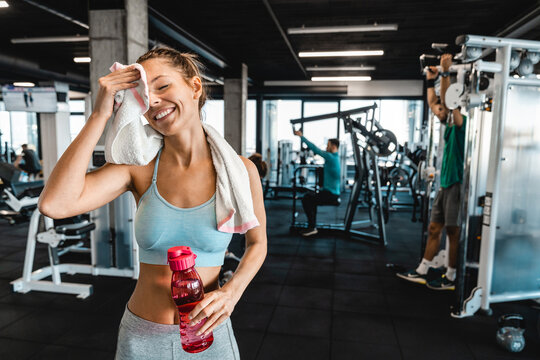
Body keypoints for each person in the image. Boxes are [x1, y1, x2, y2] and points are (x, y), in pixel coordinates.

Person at [38, 48, 267, 359]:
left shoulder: (239, 170)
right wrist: (99, 115)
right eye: (144, 96)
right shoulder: (139, 167)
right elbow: (55, 204)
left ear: (195, 87)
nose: (155, 100)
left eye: (163, 86)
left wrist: (231, 293)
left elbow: (257, 243)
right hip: (142, 338)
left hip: (210, 336)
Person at [397, 53, 466, 290]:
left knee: (453, 232)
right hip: (444, 184)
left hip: (456, 183)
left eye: (440, 109)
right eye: (436, 110)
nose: (437, 112)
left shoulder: (459, 123)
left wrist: (446, 73)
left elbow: (445, 105)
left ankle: (452, 276)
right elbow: (432, 101)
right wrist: (430, 79)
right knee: (434, 228)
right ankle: (422, 270)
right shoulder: (445, 121)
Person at [293, 130, 341, 237]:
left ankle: (312, 227)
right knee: (310, 198)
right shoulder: (335, 158)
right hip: (330, 192)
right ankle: (312, 225)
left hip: (331, 195)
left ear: (333, 147)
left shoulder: (331, 157)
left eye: (328, 145)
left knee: (307, 199)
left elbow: (315, 148)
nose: (326, 148)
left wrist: (301, 137)